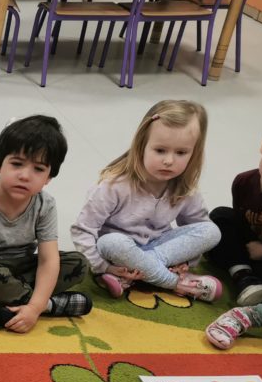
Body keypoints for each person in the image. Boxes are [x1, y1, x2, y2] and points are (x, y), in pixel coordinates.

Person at [0, 115, 91, 334]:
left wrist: (34, 308)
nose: (25, 176)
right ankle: (51, 305)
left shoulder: (45, 205)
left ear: (49, 177)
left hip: (21, 268)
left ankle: (10, 307)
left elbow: (48, 260)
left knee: (79, 263)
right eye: (17, 164)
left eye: (38, 169)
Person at [71, 100, 221, 302]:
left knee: (212, 231)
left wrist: (186, 261)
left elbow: (197, 229)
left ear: (194, 154)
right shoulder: (114, 185)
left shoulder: (185, 188)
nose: (169, 160)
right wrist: (102, 267)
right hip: (116, 252)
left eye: (181, 153)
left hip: (157, 248)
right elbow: (83, 230)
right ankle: (174, 282)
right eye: (160, 150)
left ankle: (140, 274)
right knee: (112, 242)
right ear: (142, 145)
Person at [205, 134, 262, 307]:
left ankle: (247, 275)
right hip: (249, 245)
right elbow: (239, 221)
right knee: (220, 215)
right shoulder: (243, 181)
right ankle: (243, 275)